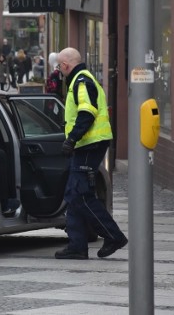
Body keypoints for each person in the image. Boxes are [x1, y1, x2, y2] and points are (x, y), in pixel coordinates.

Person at [54, 47, 127, 260]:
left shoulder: (81, 81)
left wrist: (72, 138)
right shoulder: (81, 79)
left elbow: (87, 112)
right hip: (87, 145)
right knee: (73, 193)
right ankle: (77, 245)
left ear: (66, 65)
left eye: (59, 66)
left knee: (80, 194)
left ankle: (113, 236)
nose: (59, 70)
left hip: (89, 144)